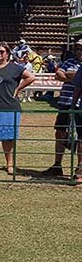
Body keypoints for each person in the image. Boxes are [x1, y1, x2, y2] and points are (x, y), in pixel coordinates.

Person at [0, 42, 35, 174]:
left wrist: (18, 89)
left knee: (7, 137)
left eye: (2, 51)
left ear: (7, 54)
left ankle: (10, 164)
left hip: (8, 107)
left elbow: (30, 77)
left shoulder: (15, 68)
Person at [42, 39, 82, 177]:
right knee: (60, 132)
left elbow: (64, 75)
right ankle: (57, 165)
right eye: (77, 48)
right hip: (65, 102)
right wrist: (76, 77)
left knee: (80, 136)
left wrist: (69, 76)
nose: (79, 51)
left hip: (79, 105)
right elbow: (58, 74)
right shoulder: (70, 61)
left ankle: (79, 168)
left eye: (81, 49)